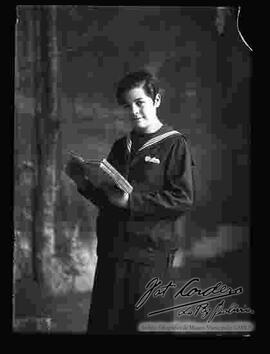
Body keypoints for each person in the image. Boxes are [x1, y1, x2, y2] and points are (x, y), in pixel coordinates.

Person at [66, 70, 195, 334]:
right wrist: (84, 184)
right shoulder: (120, 146)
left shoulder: (174, 145)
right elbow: (109, 198)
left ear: (157, 100)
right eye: (128, 105)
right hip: (113, 253)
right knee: (107, 327)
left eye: (140, 103)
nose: (134, 111)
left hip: (149, 256)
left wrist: (131, 202)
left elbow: (182, 199)